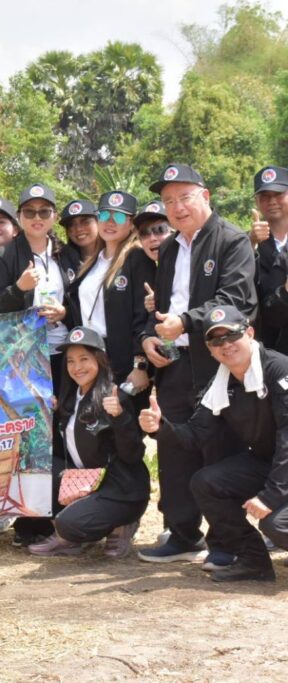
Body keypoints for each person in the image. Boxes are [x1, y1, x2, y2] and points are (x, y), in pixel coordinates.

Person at [136, 164, 257, 565]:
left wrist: (186, 322)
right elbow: (162, 307)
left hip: (219, 362)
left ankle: (227, 543)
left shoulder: (232, 240)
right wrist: (150, 338)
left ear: (205, 196)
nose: (177, 207)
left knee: (218, 450)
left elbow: (236, 301)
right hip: (175, 363)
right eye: (168, 201)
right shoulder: (170, 247)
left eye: (185, 197)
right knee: (173, 450)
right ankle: (182, 534)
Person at [139, 306, 288, 581]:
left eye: (232, 335)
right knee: (207, 482)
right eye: (216, 340)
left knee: (276, 524)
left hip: (283, 464)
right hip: (269, 462)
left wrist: (271, 496)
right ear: (209, 349)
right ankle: (253, 561)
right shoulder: (220, 383)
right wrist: (161, 427)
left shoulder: (279, 369)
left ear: (250, 333)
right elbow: (195, 434)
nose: (226, 345)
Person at [0, 182, 73, 545]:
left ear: (54, 216)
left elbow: (80, 303)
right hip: (22, 361)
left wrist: (65, 312)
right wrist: (19, 288)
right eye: (30, 212)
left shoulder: (65, 254)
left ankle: (64, 519)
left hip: (63, 355)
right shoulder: (4, 256)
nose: (37, 218)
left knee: (63, 436)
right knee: (29, 441)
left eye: (44, 212)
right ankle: (29, 524)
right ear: (20, 218)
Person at [28, 327, 149, 557]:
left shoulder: (114, 397)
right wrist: (50, 416)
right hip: (85, 482)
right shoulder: (69, 398)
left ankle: (123, 523)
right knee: (34, 470)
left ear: (100, 360)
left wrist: (120, 417)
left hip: (121, 489)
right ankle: (71, 535)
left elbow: (133, 454)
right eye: (71, 361)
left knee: (68, 523)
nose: (77, 367)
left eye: (84, 359)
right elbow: (64, 450)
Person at [66, 192, 155, 409]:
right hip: (91, 356)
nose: (110, 222)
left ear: (131, 224)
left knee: (123, 422)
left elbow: (143, 315)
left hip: (123, 359)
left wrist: (140, 365)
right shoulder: (93, 261)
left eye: (120, 217)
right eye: (105, 215)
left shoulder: (137, 257)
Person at [250, 166, 288, 349]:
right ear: (257, 201)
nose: (272, 201)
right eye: (265, 196)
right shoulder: (246, 243)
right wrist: (251, 244)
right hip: (267, 346)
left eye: (278, 194)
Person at [58, 199, 99, 277]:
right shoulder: (62, 262)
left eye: (85, 222)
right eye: (71, 224)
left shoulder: (114, 258)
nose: (78, 228)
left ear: (99, 222)